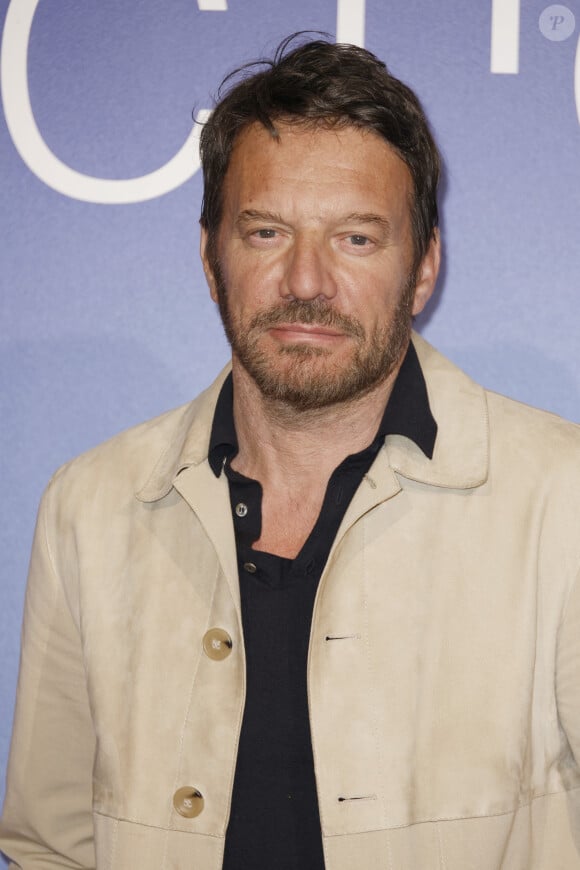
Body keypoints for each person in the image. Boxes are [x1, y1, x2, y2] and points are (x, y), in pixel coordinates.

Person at [1, 34, 579, 870]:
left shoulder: (560, 500)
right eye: (267, 232)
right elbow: (49, 845)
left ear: (422, 270)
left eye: (355, 239)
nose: (306, 282)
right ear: (209, 258)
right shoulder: (89, 507)